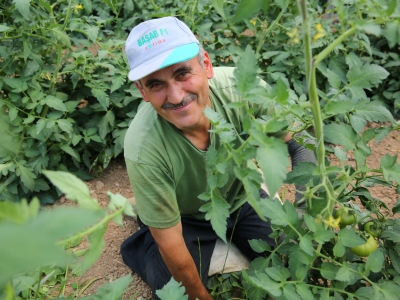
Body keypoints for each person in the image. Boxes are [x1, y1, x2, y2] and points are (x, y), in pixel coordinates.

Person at [121, 16, 316, 300]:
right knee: (171, 290)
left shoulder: (243, 91)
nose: (175, 96)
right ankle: (146, 229)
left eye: (182, 73)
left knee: (289, 252)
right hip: (184, 217)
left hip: (240, 198)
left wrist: (303, 211)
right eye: (155, 84)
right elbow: (172, 244)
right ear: (142, 91)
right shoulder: (143, 148)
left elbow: (302, 145)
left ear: (207, 65)